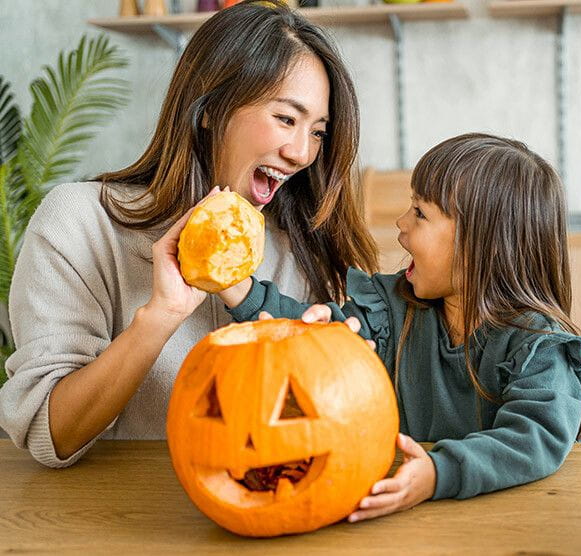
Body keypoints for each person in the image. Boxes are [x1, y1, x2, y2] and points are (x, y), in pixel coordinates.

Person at [0, 1, 377, 467]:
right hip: (111, 525)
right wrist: (161, 316)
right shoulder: (79, 222)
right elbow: (47, 433)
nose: (302, 153)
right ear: (209, 108)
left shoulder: (297, 245)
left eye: (318, 132)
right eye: (285, 118)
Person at [218, 133, 581, 522]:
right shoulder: (392, 311)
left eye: (420, 212)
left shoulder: (538, 345)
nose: (401, 223)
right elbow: (320, 346)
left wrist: (438, 473)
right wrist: (236, 288)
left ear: (483, 246)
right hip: (414, 523)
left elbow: (535, 438)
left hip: (511, 523)